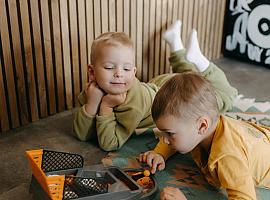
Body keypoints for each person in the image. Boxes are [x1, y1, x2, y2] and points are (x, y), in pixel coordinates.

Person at [73, 20, 237, 151]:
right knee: (187, 74)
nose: (119, 73)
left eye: (127, 68)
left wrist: (106, 108)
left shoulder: (133, 104)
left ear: (134, 71)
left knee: (225, 96)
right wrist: (92, 103)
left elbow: (110, 143)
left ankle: (201, 61)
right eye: (109, 67)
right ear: (92, 72)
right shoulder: (95, 89)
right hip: (158, 85)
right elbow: (81, 134)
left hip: (175, 98)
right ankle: (176, 45)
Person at [140, 72, 270, 200]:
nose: (164, 140)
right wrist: (160, 153)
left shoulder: (228, 157)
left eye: (169, 134)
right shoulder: (200, 130)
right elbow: (176, 134)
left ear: (202, 126)